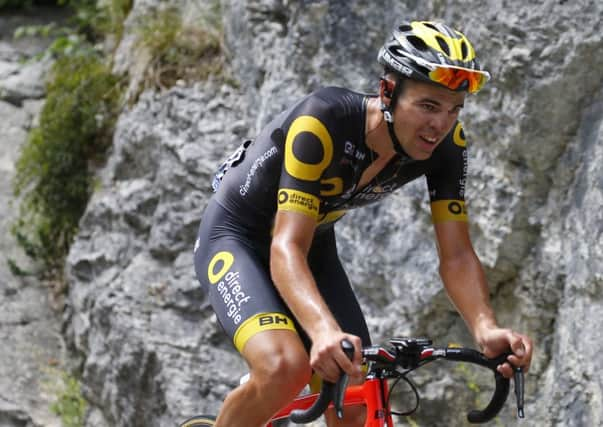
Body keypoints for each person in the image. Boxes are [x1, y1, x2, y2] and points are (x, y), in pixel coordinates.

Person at [193, 20, 533, 427]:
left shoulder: (447, 147)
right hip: (240, 238)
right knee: (285, 366)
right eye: (428, 105)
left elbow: (457, 254)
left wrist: (485, 326)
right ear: (388, 92)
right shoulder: (323, 121)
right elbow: (284, 245)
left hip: (312, 247)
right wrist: (321, 331)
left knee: (357, 397)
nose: (440, 125)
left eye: (453, 109)